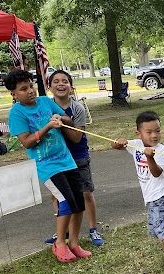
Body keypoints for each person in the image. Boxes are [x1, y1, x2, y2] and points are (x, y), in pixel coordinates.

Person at [5, 69, 92, 262]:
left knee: (78, 203)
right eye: (23, 88)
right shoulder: (16, 114)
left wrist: (62, 120)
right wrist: (47, 127)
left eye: (31, 86)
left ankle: (74, 243)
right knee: (65, 202)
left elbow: (67, 118)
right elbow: (27, 142)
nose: (30, 91)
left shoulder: (45, 102)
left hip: (66, 160)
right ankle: (59, 243)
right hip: (47, 166)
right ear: (14, 94)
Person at [111, 111, 164, 274]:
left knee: (161, 230)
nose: (154, 135)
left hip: (160, 196)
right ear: (138, 134)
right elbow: (116, 146)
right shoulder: (136, 145)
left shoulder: (162, 151)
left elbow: (156, 173)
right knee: (155, 230)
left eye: (157, 131)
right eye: (149, 132)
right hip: (149, 197)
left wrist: (150, 157)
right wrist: (119, 142)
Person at [46, 69, 105, 247]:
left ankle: (93, 229)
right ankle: (61, 233)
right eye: (56, 81)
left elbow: (77, 137)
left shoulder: (77, 108)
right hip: (56, 159)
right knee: (57, 196)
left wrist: (61, 123)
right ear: (49, 87)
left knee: (85, 192)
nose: (60, 84)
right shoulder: (46, 107)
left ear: (71, 87)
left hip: (78, 157)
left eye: (65, 81)